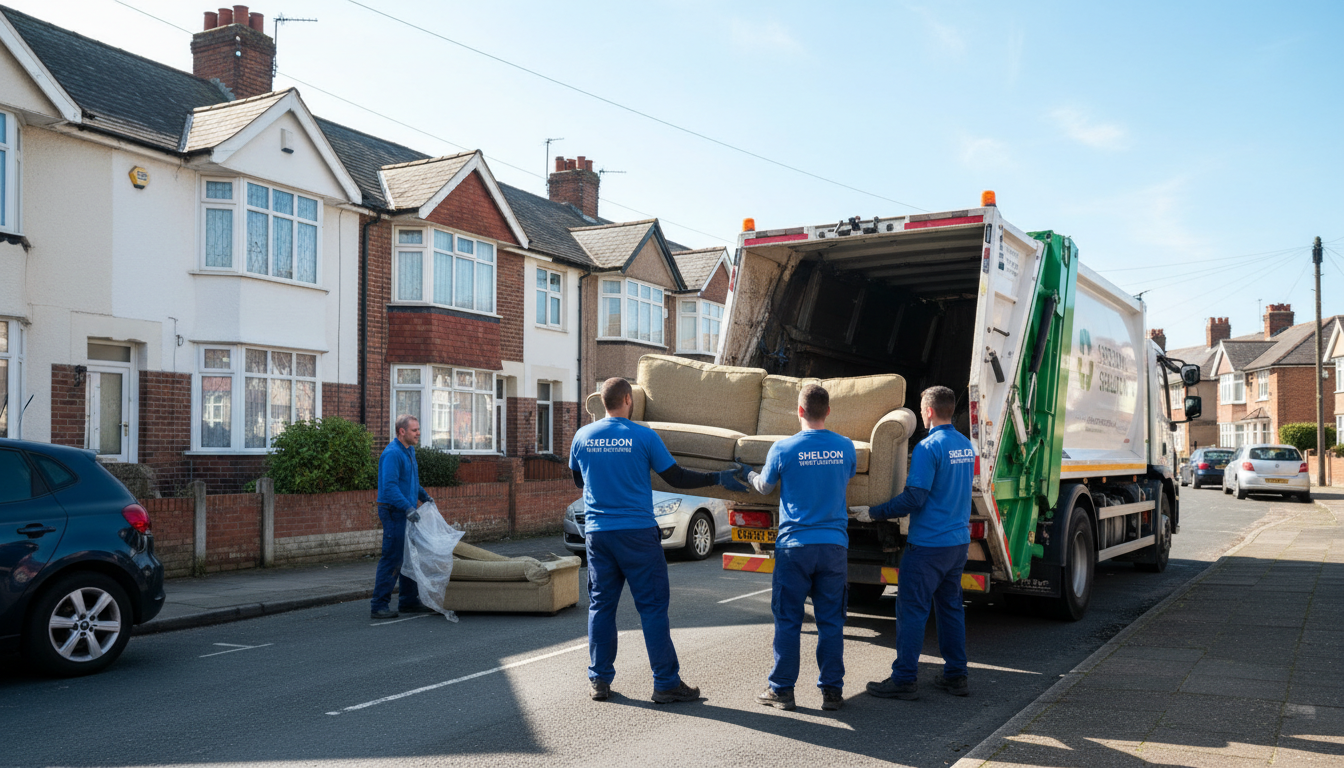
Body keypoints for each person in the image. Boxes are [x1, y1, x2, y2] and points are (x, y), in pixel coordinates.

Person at [570, 377, 749, 703]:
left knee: (601, 607)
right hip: (637, 534)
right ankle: (665, 683)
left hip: (598, 535)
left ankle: (599, 681)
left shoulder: (582, 437)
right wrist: (717, 478)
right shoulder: (643, 436)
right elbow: (676, 477)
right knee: (652, 609)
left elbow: (577, 478)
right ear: (627, 399)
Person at [742, 383, 855, 712]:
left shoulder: (783, 448)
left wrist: (748, 475)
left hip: (795, 548)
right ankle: (832, 692)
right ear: (828, 411)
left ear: (799, 411)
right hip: (833, 546)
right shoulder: (845, 447)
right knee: (831, 622)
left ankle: (782, 690)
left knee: (789, 620)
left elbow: (764, 487)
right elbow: (845, 478)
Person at [858, 385, 975, 700]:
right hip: (956, 544)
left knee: (911, 610)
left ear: (928, 411)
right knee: (950, 609)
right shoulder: (966, 445)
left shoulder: (928, 448)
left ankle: (905, 679)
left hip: (928, 547)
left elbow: (915, 497)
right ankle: (956, 676)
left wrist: (875, 513)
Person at [370, 414, 435, 620]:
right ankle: (379, 605)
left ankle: (408, 601)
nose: (418, 433)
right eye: (414, 430)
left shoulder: (409, 451)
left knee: (410, 557)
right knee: (393, 557)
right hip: (394, 512)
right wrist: (408, 508)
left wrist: (424, 497)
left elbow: (411, 481)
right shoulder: (392, 454)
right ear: (402, 432)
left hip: (407, 512)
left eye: (418, 429)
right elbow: (389, 487)